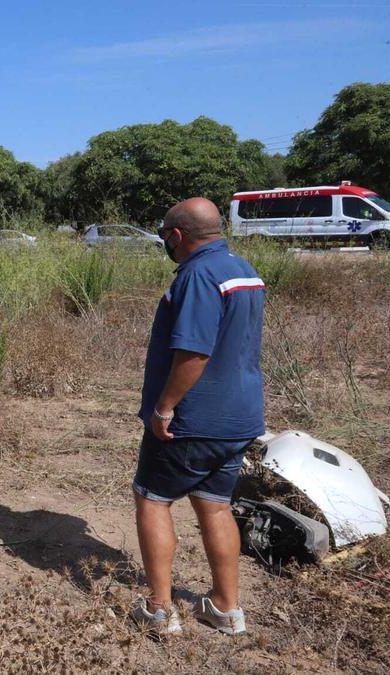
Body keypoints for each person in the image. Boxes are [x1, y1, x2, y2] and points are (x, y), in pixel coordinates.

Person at [130, 197, 265, 636]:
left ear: (177, 235)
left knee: (152, 498)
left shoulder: (197, 276)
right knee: (214, 506)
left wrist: (164, 407)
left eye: (165, 234)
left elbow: (194, 351)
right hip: (238, 417)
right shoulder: (242, 269)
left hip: (193, 420)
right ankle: (225, 608)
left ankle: (158, 610)